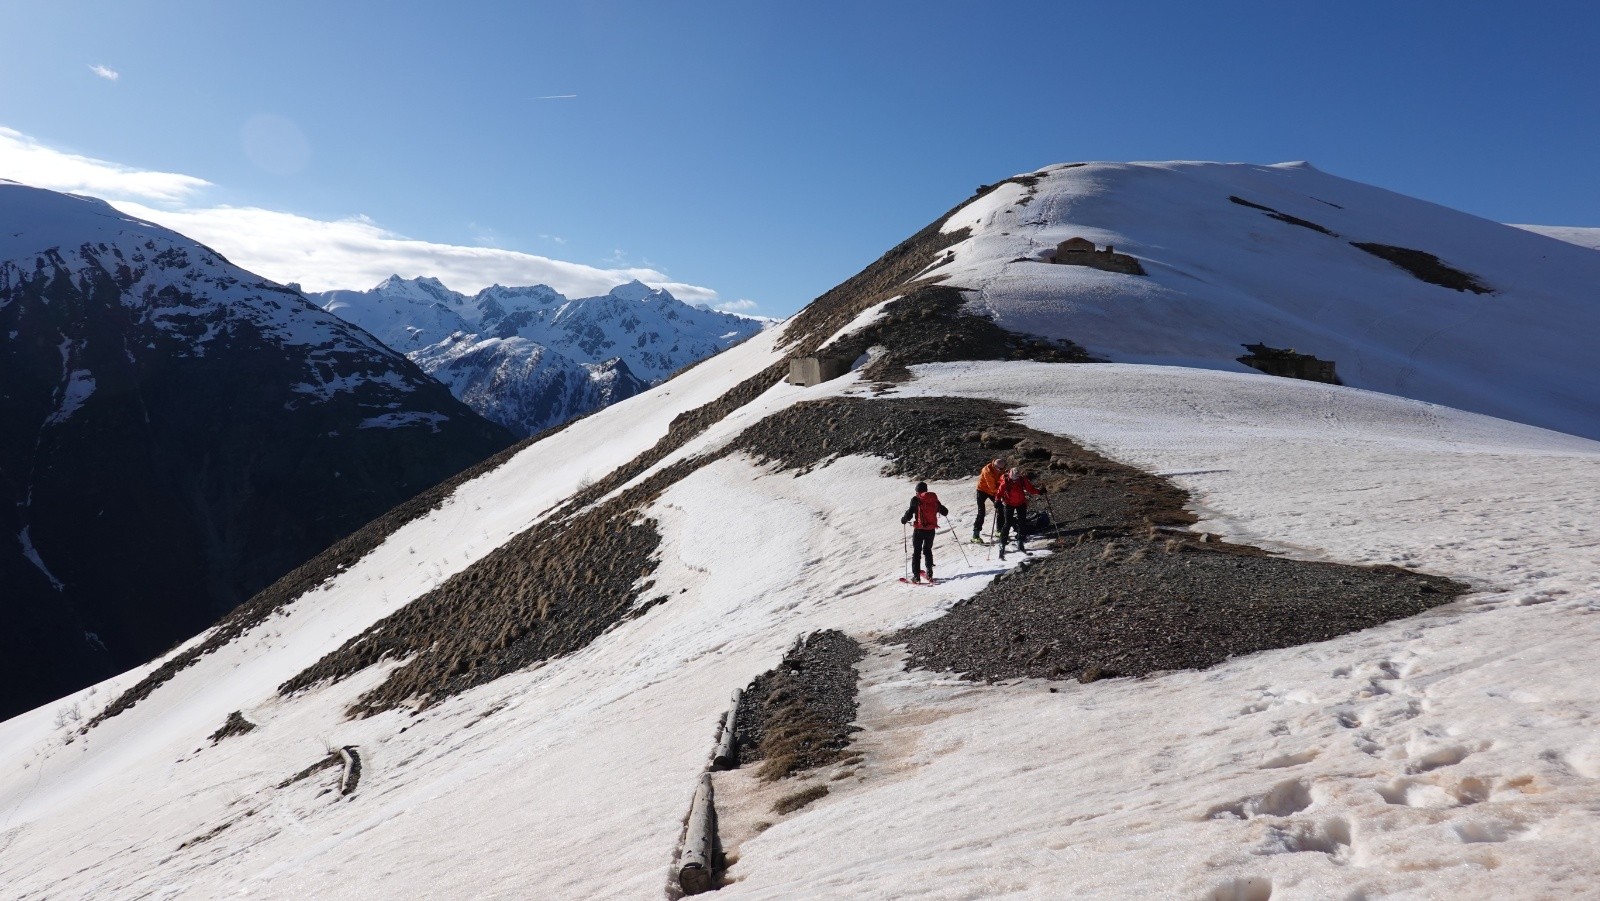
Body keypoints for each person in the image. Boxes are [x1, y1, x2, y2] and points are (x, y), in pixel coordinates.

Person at [900, 481, 948, 583]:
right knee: (927, 550)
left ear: (917, 491)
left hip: (919, 530)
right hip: (931, 530)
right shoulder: (933, 499)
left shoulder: (916, 499)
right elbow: (945, 511)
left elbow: (909, 514)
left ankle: (916, 576)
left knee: (916, 552)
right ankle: (929, 572)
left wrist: (904, 519)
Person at [995, 467, 1043, 560]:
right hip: (1009, 503)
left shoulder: (1022, 480)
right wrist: (997, 500)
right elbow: (999, 492)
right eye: (1014, 477)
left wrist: (1039, 492)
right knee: (1007, 523)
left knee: (1022, 522)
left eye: (1016, 477)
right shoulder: (1006, 481)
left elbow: (1030, 489)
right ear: (1010, 475)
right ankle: (1002, 543)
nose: (1015, 479)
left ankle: (1020, 540)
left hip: (1021, 503)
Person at [972, 457, 1006, 542]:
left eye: (1002, 468)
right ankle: (975, 535)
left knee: (1000, 509)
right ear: (994, 466)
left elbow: (1002, 480)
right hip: (982, 490)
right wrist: (1001, 492)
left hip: (993, 491)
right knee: (981, 512)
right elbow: (992, 488)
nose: (1001, 470)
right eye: (999, 469)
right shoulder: (987, 471)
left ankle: (999, 530)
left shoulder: (1001, 468)